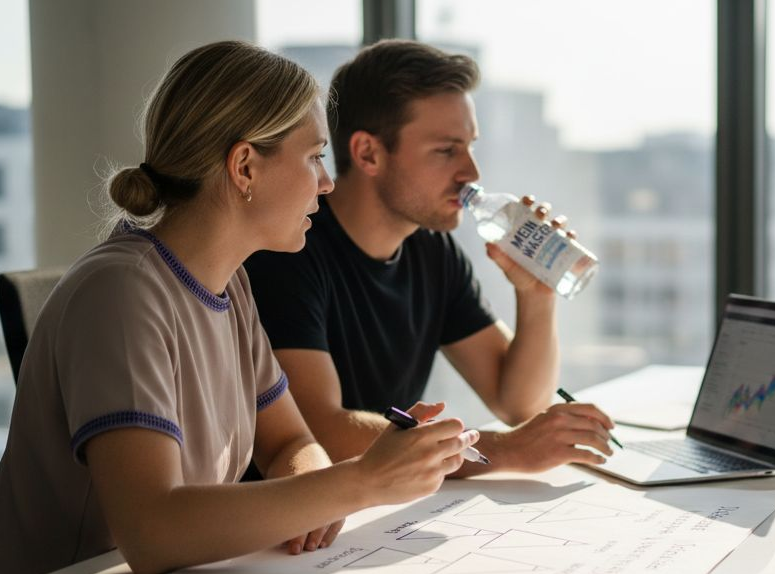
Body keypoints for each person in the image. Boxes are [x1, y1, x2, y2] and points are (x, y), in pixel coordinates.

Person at [0, 41, 476, 574]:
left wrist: (316, 487)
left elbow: (286, 442)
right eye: (313, 158)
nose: (326, 183)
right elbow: (152, 530)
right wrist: (361, 482)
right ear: (245, 166)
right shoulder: (122, 292)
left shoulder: (230, 286)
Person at [244, 40, 614, 477]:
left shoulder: (430, 249)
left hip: (381, 508)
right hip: (294, 529)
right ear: (368, 154)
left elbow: (518, 404)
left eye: (470, 146)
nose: (471, 173)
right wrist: (504, 451)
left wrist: (536, 294)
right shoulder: (291, 247)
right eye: (446, 150)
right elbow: (319, 428)